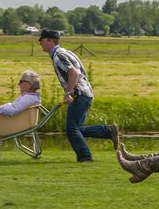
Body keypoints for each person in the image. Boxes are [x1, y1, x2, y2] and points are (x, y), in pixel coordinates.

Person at [38, 29, 118, 162]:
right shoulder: (65, 52)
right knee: (77, 128)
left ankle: (85, 157)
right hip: (84, 93)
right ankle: (108, 131)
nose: (40, 43)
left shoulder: (58, 56)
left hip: (80, 94)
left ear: (51, 41)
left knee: (71, 129)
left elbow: (73, 73)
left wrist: (68, 93)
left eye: (42, 40)